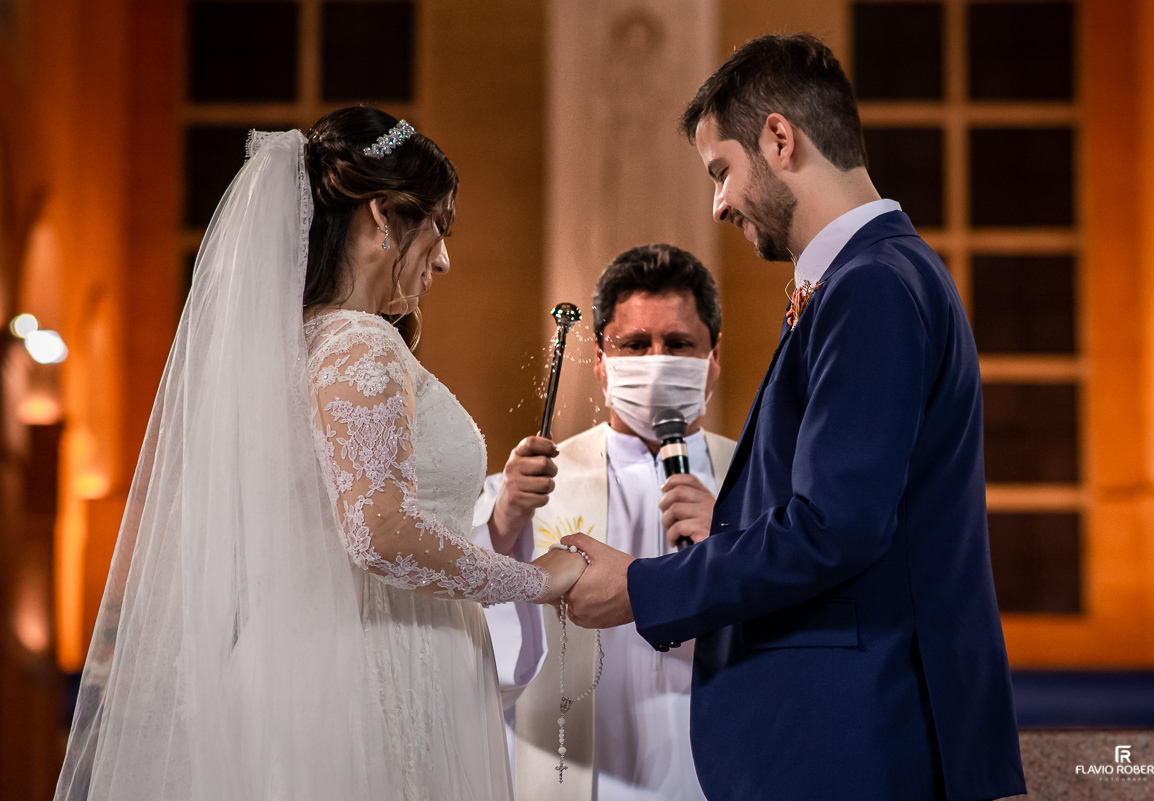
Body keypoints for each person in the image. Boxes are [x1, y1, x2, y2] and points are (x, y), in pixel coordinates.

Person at [54, 108, 586, 801]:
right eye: (438, 226)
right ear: (381, 217)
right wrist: (539, 580)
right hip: (371, 676)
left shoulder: (295, 349)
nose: (445, 259)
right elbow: (379, 531)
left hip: (320, 664)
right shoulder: (359, 345)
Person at [562, 34, 1027, 801]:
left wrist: (647, 587)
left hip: (856, 739)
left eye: (722, 171)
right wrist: (737, 526)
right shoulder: (879, 274)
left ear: (779, 139)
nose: (718, 204)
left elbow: (837, 526)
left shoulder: (869, 286)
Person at [473, 244, 735, 800]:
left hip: (720, 768)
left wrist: (733, 540)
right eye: (636, 345)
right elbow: (467, 623)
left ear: (714, 357)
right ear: (599, 359)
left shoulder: (756, 480)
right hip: (590, 776)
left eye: (679, 344)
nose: (657, 360)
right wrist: (504, 524)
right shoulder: (536, 483)